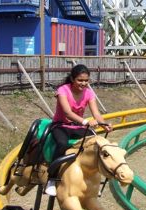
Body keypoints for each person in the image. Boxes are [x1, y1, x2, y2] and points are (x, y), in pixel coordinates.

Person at [45, 64, 112, 196]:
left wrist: (103, 123)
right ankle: (51, 179)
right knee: (62, 144)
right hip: (61, 125)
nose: (83, 83)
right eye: (80, 80)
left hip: (78, 127)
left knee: (95, 144)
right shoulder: (63, 90)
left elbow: (96, 113)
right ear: (72, 79)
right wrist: (85, 121)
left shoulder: (89, 93)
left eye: (86, 81)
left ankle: (91, 180)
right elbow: (67, 113)